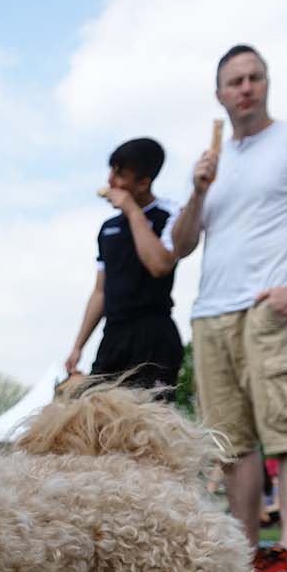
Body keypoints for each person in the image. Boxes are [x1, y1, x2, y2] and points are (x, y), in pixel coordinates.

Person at [170, 44, 287, 572]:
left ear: (267, 83)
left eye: (254, 77)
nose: (245, 88)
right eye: (234, 81)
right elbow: (180, 245)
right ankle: (246, 556)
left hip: (269, 309)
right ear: (219, 94)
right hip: (210, 313)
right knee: (231, 442)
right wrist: (198, 192)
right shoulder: (211, 163)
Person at [65, 138, 183, 391]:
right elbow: (100, 292)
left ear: (143, 183)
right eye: (111, 171)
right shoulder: (108, 228)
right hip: (113, 336)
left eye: (120, 175)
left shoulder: (170, 214)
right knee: (93, 415)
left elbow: (160, 265)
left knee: (148, 422)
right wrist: (78, 346)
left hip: (153, 334)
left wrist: (132, 211)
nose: (110, 181)